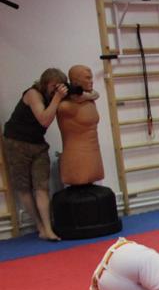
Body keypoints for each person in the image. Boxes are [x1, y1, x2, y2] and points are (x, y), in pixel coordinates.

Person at [2, 68, 70, 240]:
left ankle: (48, 229)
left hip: (38, 144)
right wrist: (57, 98)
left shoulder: (55, 95)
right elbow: (44, 120)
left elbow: (90, 94)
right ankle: (40, 227)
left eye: (60, 86)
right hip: (17, 143)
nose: (56, 90)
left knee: (42, 186)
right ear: (45, 84)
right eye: (53, 86)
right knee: (23, 187)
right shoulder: (33, 94)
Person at [57, 65, 104, 186]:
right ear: (75, 82)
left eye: (91, 78)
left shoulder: (90, 99)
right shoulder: (65, 106)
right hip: (77, 155)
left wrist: (86, 96)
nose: (91, 81)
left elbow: (95, 94)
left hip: (94, 152)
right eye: (88, 78)